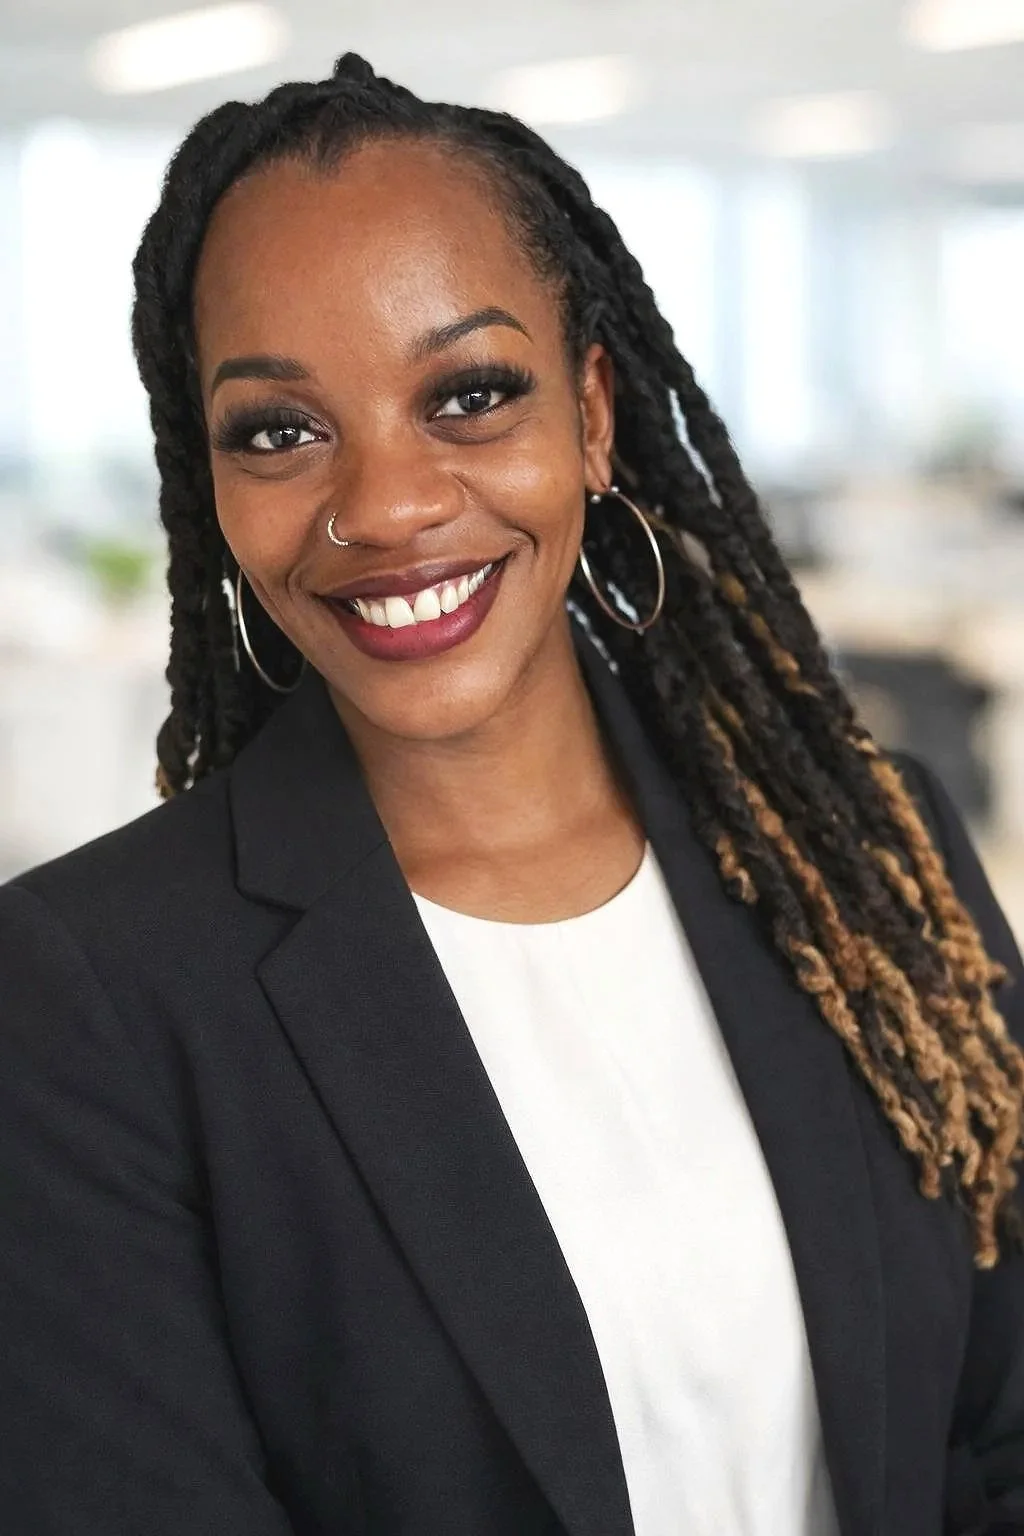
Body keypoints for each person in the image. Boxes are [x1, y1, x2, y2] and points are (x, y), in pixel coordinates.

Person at [1, 51, 1022, 1536]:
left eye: (470, 395)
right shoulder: (88, 997)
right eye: (279, 430)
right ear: (207, 484)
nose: (388, 506)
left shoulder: (858, 855)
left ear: (594, 415)